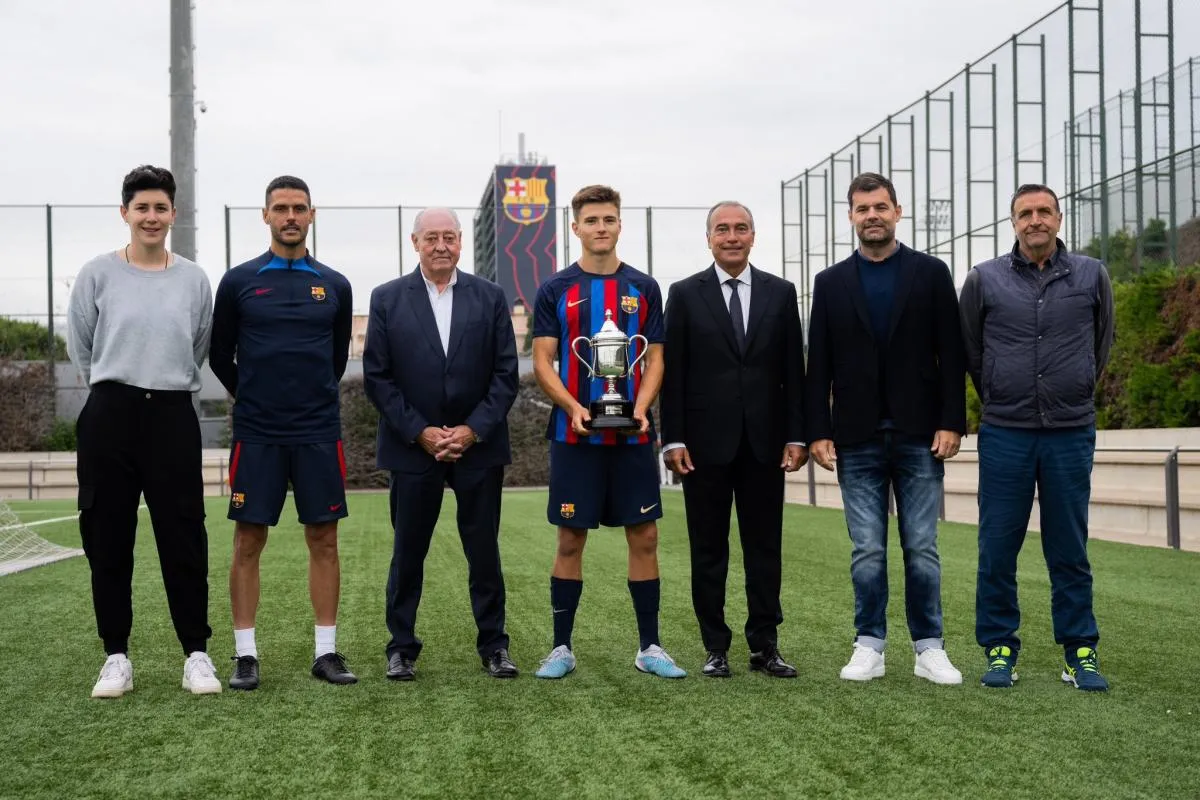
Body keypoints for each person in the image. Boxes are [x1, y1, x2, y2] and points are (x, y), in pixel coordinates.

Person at [805, 172, 966, 685]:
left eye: (880, 207)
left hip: (920, 434)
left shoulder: (931, 273)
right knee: (868, 551)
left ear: (898, 211)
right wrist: (818, 430)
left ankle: (929, 647)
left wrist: (952, 421)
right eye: (862, 209)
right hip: (856, 437)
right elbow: (818, 363)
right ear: (851, 217)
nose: (872, 215)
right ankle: (869, 644)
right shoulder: (830, 282)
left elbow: (952, 353)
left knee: (922, 549)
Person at [66, 164, 221, 698]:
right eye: (141, 207)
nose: (151, 217)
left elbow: (197, 346)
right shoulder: (97, 274)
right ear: (125, 213)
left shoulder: (194, 280)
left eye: (160, 207)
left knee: (184, 534)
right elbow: (82, 348)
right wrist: (119, 387)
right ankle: (116, 656)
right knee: (108, 537)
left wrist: (160, 384)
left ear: (173, 213)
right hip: (110, 414)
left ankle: (196, 654)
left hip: (172, 416)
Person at [959, 183, 1115, 692]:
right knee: (997, 547)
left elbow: (1101, 344)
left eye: (1044, 211)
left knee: (1069, 548)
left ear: (1059, 218)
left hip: (1070, 431)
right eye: (1025, 213)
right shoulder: (984, 278)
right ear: (1013, 223)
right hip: (1006, 432)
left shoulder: (1092, 274)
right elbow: (972, 352)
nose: (1035, 220)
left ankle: (1079, 651)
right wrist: (1000, 393)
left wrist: (1074, 387)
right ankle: (1000, 648)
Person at [530, 184, 685, 679]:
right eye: (592, 220)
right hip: (574, 436)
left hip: (632, 435)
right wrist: (573, 406)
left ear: (620, 225)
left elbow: (656, 359)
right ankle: (561, 648)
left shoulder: (644, 287)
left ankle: (650, 647)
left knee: (645, 535)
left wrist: (640, 407)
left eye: (609, 219)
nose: (601, 227)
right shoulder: (556, 289)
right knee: (570, 538)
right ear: (576, 227)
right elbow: (543, 360)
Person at [209, 175, 356, 689]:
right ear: (266, 215)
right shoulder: (238, 282)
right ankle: (245, 655)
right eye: (281, 208)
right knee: (248, 539)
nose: (290, 216)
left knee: (324, 538)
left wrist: (309, 396)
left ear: (312, 215)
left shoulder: (335, 285)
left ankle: (326, 652)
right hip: (258, 433)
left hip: (317, 430)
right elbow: (219, 354)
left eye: (299, 208)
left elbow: (336, 358)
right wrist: (253, 395)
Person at [363, 207, 520, 681]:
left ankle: (494, 646)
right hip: (413, 448)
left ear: (460, 242)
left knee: (484, 552)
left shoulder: (490, 296)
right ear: (415, 243)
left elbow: (505, 374)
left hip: (479, 448)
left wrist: (471, 430)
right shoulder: (387, 298)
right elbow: (378, 377)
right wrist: (422, 432)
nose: (440, 245)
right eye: (431, 237)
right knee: (408, 553)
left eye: (449, 236)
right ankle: (401, 648)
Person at [660, 201, 806, 679]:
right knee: (708, 550)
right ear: (709, 239)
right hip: (703, 447)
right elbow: (673, 374)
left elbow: (793, 371)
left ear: (753, 236)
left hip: (766, 445)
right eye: (722, 229)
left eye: (741, 228)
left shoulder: (781, 293)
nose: (732, 236)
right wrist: (673, 438)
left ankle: (765, 645)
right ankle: (715, 647)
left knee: (764, 549)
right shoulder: (684, 294)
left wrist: (797, 435)